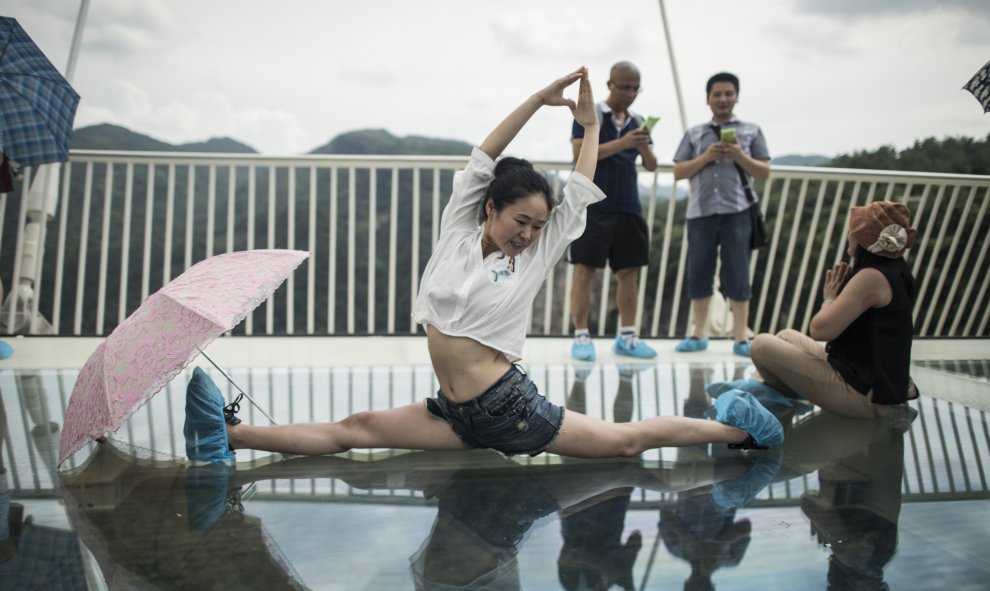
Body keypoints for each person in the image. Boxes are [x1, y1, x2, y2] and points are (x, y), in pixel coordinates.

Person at [184, 68, 784, 466]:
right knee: (356, 426)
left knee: (627, 441)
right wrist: (535, 100)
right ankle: (226, 439)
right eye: (519, 221)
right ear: (490, 208)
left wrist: (591, 122)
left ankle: (743, 431)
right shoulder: (456, 232)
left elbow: (579, 182)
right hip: (456, 410)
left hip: (511, 412)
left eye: (538, 226)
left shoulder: (538, 252)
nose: (528, 234)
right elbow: (483, 156)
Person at [717, 201, 917, 420]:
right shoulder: (896, 270)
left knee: (762, 345)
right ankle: (769, 388)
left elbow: (820, 330)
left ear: (865, 240)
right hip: (862, 376)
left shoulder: (871, 277)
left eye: (853, 231)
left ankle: (763, 393)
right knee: (786, 336)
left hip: (866, 398)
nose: (850, 235)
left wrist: (830, 300)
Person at [672, 72, 770, 358]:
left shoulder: (751, 131)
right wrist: (706, 157)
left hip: (737, 212)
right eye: (717, 94)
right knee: (699, 271)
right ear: (708, 99)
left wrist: (739, 155)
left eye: (728, 93)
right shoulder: (695, 134)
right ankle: (697, 333)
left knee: (738, 272)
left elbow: (763, 171)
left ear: (736, 96)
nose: (723, 99)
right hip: (700, 212)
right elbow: (678, 171)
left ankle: (741, 337)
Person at [567, 61, 658, 361]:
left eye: (635, 88)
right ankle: (581, 336)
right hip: (593, 204)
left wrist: (642, 145)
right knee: (585, 271)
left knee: (629, 272)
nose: (631, 93)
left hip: (628, 205)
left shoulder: (639, 121)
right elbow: (580, 153)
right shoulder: (589, 115)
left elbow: (651, 165)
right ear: (610, 85)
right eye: (625, 87)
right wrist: (622, 143)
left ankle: (628, 337)